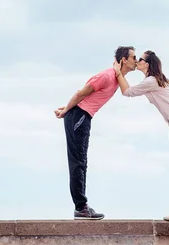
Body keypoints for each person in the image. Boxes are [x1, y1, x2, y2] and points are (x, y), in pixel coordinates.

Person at [54, 46, 137, 220]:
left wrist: (69, 109)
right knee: (78, 162)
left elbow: (123, 91)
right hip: (80, 116)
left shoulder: (116, 78)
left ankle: (82, 206)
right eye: (133, 57)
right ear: (123, 59)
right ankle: (80, 207)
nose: (136, 61)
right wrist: (67, 110)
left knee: (82, 162)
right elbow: (80, 92)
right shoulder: (107, 76)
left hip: (82, 116)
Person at [113, 50, 169, 222]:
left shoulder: (151, 81)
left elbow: (127, 92)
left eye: (140, 59)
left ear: (147, 64)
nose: (137, 61)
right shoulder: (157, 80)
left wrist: (118, 72)